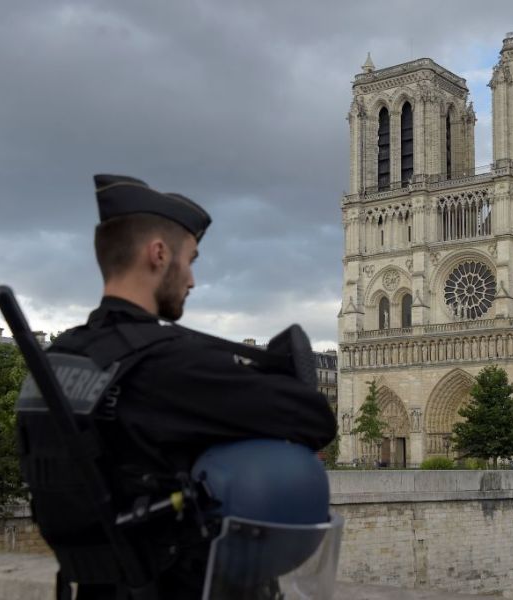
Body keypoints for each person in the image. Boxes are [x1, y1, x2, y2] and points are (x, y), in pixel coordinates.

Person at [43, 174, 337, 599]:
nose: (192, 280)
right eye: (191, 259)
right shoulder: (166, 364)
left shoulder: (56, 360)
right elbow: (314, 417)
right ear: (159, 254)